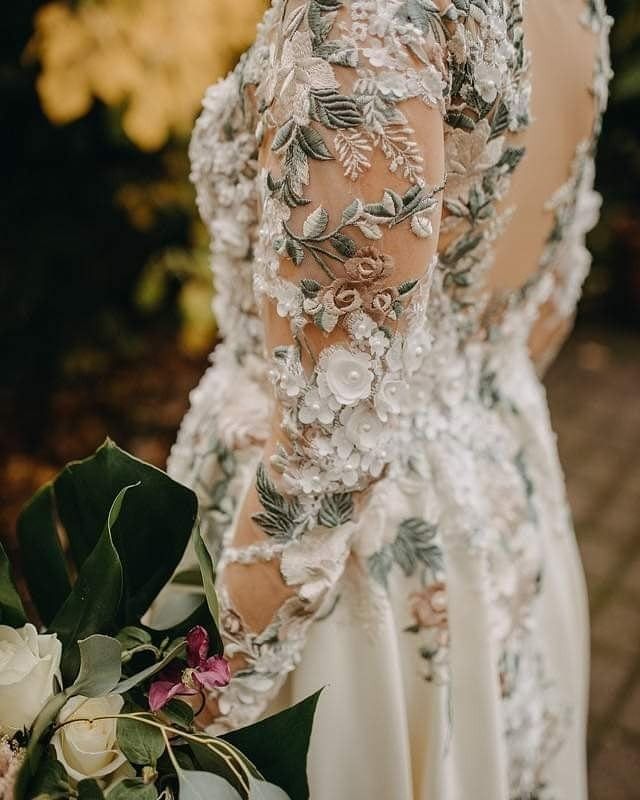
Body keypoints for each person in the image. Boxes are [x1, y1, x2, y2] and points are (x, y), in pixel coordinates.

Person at [167, 0, 612, 796]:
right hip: (501, 496)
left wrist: (175, 699)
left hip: (354, 579)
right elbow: (546, 312)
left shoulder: (364, 19)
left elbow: (325, 467)